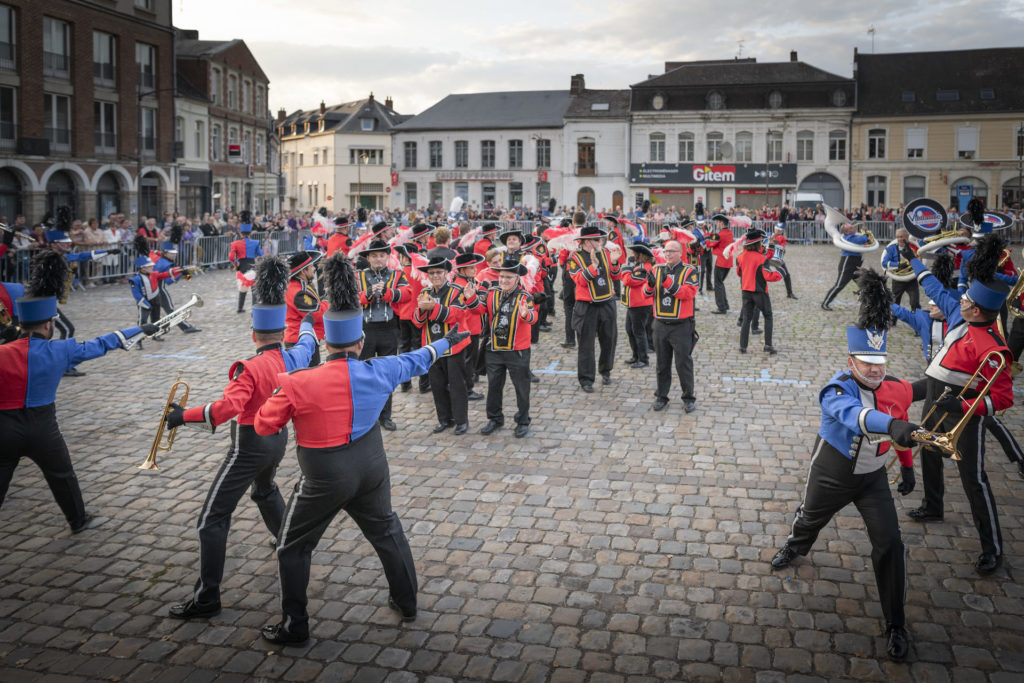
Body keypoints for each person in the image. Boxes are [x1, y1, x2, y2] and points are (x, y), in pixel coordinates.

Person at [253, 252, 469, 644]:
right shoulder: (381, 369)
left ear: (327, 341)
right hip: (371, 466)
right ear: (361, 341)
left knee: (291, 547)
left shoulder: (300, 382)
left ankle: (294, 625)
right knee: (387, 531)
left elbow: (265, 423)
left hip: (324, 475)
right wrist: (447, 343)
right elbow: (419, 358)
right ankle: (408, 602)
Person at [770, 269, 919, 661]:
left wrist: (907, 467)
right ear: (850, 360)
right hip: (832, 474)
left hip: (873, 481)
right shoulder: (836, 387)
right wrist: (893, 425)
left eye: (879, 361)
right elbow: (855, 416)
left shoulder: (895, 385)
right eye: (865, 361)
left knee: (890, 544)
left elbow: (911, 403)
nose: (874, 369)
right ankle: (795, 546)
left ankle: (896, 623)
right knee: (809, 519)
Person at [165, 257, 319, 620]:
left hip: (248, 446)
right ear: (283, 331)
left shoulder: (247, 367)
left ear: (253, 334)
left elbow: (224, 410)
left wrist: (179, 417)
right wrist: (310, 319)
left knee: (211, 519)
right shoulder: (294, 356)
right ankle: (287, 540)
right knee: (264, 491)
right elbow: (309, 344)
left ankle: (207, 598)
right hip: (278, 441)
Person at [0, 251, 156, 533]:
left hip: (4, 427)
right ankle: (78, 520)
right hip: (43, 426)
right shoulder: (61, 349)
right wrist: (138, 329)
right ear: (49, 324)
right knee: (62, 475)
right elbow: (101, 344)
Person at [905, 236, 1014, 575]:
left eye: (965, 298)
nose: (960, 298)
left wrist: (964, 405)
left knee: (974, 480)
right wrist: (913, 259)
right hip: (939, 395)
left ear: (976, 309)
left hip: (963, 412)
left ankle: (992, 548)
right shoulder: (959, 314)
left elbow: (1003, 400)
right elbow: (933, 286)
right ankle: (932, 505)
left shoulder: (993, 348)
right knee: (929, 450)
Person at [479, 257, 536, 438]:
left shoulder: (524, 296)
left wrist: (526, 314)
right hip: (494, 348)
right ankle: (495, 418)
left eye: (509, 278)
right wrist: (471, 296)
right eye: (502, 276)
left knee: (521, 387)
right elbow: (478, 309)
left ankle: (523, 420)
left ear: (517, 279)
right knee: (494, 385)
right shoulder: (492, 293)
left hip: (517, 350)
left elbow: (532, 317)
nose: (504, 280)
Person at [414, 255, 472, 434]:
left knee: (457, 385)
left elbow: (458, 314)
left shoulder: (457, 291)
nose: (435, 276)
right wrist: (422, 310)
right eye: (431, 273)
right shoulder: (425, 293)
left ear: (446, 272)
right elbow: (416, 322)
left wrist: (434, 309)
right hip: (432, 347)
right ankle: (444, 419)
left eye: (439, 272)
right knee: (437, 385)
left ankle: (461, 420)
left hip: (454, 346)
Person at [357, 240, 409, 431]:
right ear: (368, 258)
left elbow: (407, 294)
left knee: (386, 374)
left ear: (387, 257)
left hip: (389, 329)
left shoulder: (397, 274)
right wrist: (368, 293)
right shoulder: (358, 276)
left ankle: (385, 416)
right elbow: (352, 298)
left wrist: (388, 293)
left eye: (381, 255)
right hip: (366, 330)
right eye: (374, 255)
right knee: (365, 374)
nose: (378, 259)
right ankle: (367, 415)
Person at [644, 240, 699, 412]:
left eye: (672, 251)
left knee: (683, 363)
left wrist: (667, 282)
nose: (668, 254)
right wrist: (650, 285)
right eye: (666, 251)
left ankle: (688, 397)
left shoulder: (690, 271)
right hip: (660, 324)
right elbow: (646, 295)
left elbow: (687, 294)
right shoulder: (656, 269)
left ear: (681, 253)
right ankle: (662, 396)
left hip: (681, 325)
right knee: (662, 363)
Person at [566, 225, 621, 392]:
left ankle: (605, 371)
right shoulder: (574, 258)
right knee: (586, 344)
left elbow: (615, 275)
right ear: (587, 241)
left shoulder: (604, 253)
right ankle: (586, 379)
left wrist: (615, 262)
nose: (601, 242)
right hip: (586, 306)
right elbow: (580, 281)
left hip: (607, 302)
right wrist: (593, 267)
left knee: (609, 340)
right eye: (597, 239)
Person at [736, 228, 782, 355]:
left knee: (746, 319)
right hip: (759, 291)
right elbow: (768, 276)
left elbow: (739, 272)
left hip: (745, 290)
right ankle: (768, 345)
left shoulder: (740, 257)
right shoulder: (762, 259)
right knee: (768, 316)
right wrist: (780, 273)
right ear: (757, 244)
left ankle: (743, 346)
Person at [451, 252, 487, 401]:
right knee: (468, 361)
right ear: (462, 270)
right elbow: (477, 308)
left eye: (474, 267)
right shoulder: (461, 285)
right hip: (468, 328)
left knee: (469, 360)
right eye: (471, 268)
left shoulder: (468, 281)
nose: (475, 270)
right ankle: (468, 389)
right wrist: (483, 292)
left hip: (472, 327)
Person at [284, 250, 327, 367]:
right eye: (312, 266)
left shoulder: (299, 285)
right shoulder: (298, 291)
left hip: (303, 338)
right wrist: (329, 302)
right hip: (300, 340)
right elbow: (315, 313)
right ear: (303, 270)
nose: (314, 269)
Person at [620, 241, 655, 368]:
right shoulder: (639, 266)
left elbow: (629, 280)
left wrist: (626, 268)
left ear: (641, 254)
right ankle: (636, 356)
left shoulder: (645, 268)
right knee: (630, 330)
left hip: (641, 305)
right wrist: (628, 269)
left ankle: (643, 359)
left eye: (635, 252)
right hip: (633, 304)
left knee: (639, 332)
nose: (632, 254)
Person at [821, 221, 868, 311]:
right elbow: (862, 240)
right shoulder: (849, 237)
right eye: (851, 228)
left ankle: (868, 303)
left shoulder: (852, 236)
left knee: (864, 284)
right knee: (839, 285)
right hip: (848, 264)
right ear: (846, 232)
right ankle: (825, 303)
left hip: (856, 264)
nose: (854, 228)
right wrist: (866, 234)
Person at [229, 218, 263, 313]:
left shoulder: (235, 244)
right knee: (254, 289)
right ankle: (254, 310)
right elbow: (260, 254)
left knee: (242, 288)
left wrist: (236, 263)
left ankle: (240, 308)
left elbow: (231, 257)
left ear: (240, 234)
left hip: (241, 267)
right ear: (250, 233)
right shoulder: (255, 243)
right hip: (251, 266)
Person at [881, 227, 920, 311]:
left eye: (902, 236)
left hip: (911, 279)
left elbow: (922, 259)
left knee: (915, 302)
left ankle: (917, 320)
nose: (900, 239)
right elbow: (884, 263)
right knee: (895, 302)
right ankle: (892, 321)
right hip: (898, 280)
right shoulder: (891, 249)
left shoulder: (914, 247)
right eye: (898, 237)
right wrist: (898, 265)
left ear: (907, 237)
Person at [706, 214, 734, 314]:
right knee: (720, 283)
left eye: (718, 222)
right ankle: (725, 304)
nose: (717, 224)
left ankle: (721, 307)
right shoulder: (729, 232)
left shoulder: (720, 234)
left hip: (721, 262)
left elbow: (710, 244)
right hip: (728, 261)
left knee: (718, 285)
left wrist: (707, 237)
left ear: (722, 223)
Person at [768, 225, 797, 299]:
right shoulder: (770, 235)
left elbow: (780, 247)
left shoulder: (782, 238)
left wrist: (775, 235)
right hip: (767, 257)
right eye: (777, 230)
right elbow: (768, 241)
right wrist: (774, 234)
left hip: (776, 259)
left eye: (780, 230)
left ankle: (789, 293)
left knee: (786, 275)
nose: (779, 231)